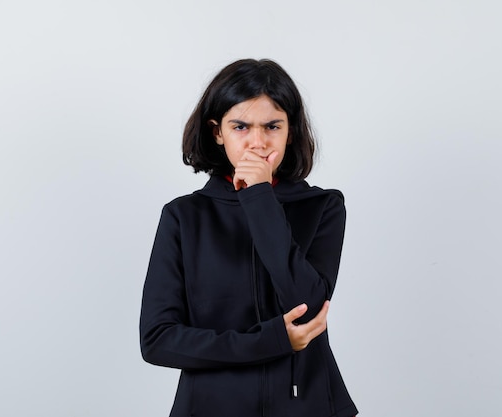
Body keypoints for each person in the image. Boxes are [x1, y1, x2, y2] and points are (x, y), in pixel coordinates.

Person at [139, 58, 358, 417]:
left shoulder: (323, 207)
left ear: (291, 131)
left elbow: (307, 307)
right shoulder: (183, 217)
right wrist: (271, 341)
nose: (258, 142)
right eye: (241, 126)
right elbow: (157, 340)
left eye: (272, 126)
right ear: (217, 132)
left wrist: (259, 197)